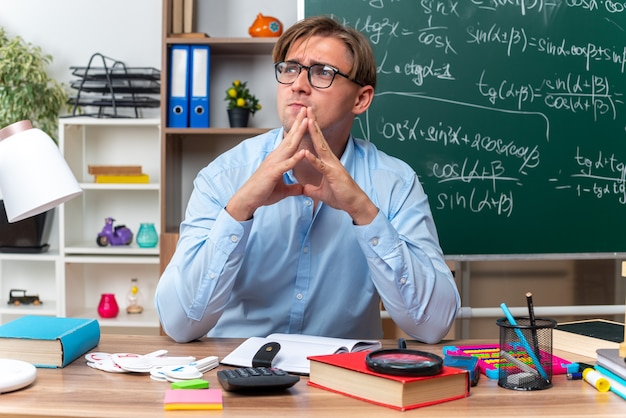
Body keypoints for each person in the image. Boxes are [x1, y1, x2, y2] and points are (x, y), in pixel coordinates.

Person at [155, 15, 460, 344]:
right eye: (289, 69)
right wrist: (240, 209)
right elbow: (178, 323)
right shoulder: (223, 176)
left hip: (343, 379)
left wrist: (364, 213)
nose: (298, 84)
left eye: (322, 72)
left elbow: (432, 325)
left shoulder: (395, 183)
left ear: (361, 99)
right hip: (238, 377)